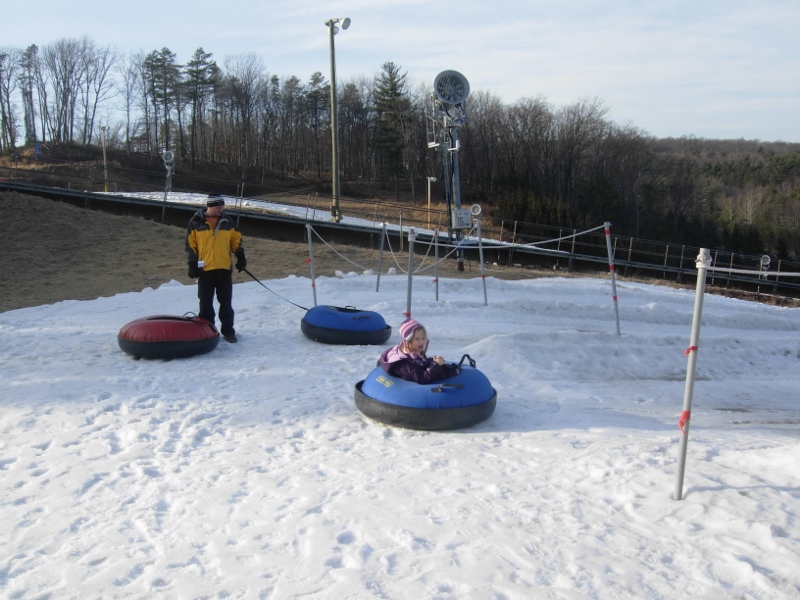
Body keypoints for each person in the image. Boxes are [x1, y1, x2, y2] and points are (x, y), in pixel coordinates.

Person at [185, 193, 246, 343]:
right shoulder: (196, 222)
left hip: (224, 269)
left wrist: (240, 256)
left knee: (226, 303)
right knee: (205, 304)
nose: (221, 209)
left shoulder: (227, 221)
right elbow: (190, 245)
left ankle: (228, 331)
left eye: (222, 206)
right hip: (205, 271)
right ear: (210, 206)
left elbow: (235, 240)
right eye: (218, 207)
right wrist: (192, 264)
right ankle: (207, 332)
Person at [379, 318, 457, 384]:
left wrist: (432, 361)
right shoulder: (405, 362)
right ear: (408, 341)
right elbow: (421, 378)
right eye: (417, 339)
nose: (421, 342)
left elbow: (421, 363)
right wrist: (435, 364)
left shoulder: (414, 353)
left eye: (423, 338)